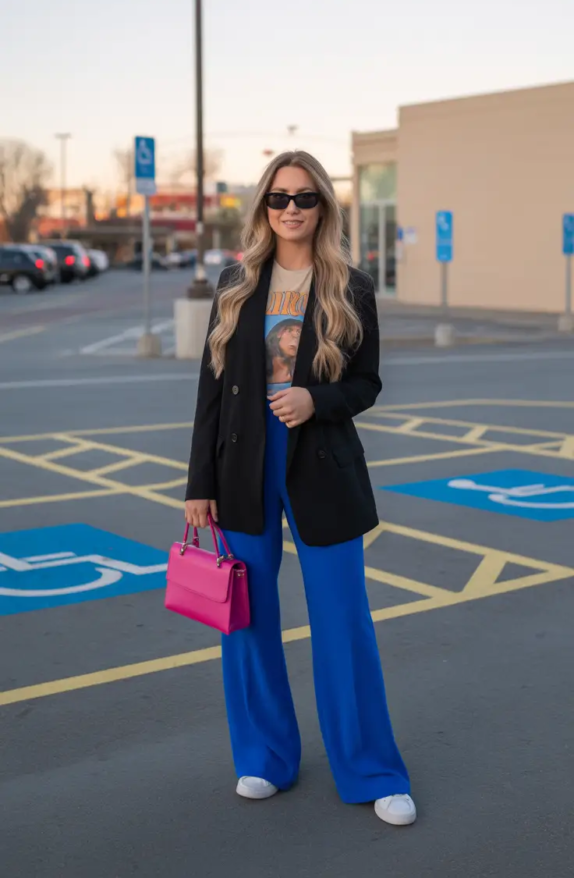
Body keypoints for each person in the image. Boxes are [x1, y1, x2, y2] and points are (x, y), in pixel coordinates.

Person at [185, 150, 416, 826]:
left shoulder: (352, 285)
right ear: (263, 207)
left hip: (320, 461)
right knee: (246, 620)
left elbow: (366, 383)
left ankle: (373, 769)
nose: (291, 209)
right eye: (279, 198)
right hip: (239, 463)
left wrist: (317, 400)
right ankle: (264, 757)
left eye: (305, 198)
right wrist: (199, 482)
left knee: (344, 622)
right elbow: (209, 393)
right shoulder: (236, 282)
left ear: (324, 207)